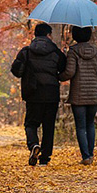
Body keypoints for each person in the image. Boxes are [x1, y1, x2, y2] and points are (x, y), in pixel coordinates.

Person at [11, 23, 67, 166]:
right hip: (51, 94)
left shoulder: (26, 52)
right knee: (48, 127)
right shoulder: (56, 53)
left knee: (31, 124)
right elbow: (63, 69)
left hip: (33, 93)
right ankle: (45, 158)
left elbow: (16, 71)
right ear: (49, 35)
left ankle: (34, 145)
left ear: (35, 35)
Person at [60, 26, 97, 165]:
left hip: (78, 94)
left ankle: (85, 156)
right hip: (93, 93)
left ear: (75, 35)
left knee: (81, 126)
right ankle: (90, 155)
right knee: (90, 124)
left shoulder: (73, 51)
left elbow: (70, 72)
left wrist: (59, 76)